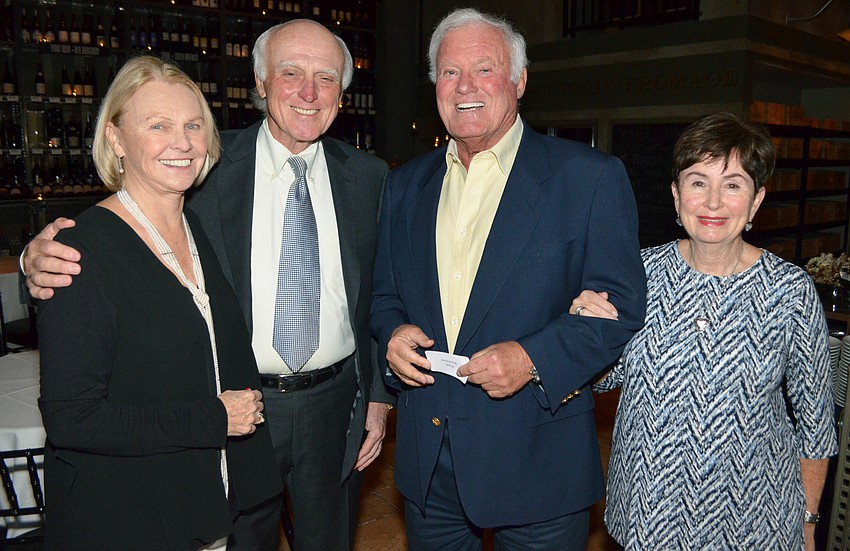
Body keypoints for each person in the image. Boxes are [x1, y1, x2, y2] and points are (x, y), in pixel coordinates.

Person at [25, 20, 394, 551]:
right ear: (260, 83)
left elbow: (381, 291)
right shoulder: (204, 172)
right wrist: (35, 255)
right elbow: (121, 230)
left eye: (326, 77)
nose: (308, 93)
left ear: (343, 91)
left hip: (334, 406)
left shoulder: (370, 177)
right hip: (229, 405)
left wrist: (378, 400)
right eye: (290, 73)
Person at [369, 8, 647, 549]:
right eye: (450, 72)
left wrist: (531, 358)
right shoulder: (404, 186)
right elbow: (385, 296)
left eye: (484, 69)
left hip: (536, 460)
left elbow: (620, 309)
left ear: (519, 80)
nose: (465, 86)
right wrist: (393, 333)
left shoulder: (588, 178)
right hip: (431, 463)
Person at [37, 55, 282, 551]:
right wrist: (214, 418)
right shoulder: (79, 252)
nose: (183, 142)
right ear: (115, 138)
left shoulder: (197, 230)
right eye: (158, 125)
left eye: (194, 125)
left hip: (204, 507)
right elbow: (72, 418)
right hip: (129, 518)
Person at [571, 113, 837, 550]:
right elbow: (607, 378)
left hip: (754, 521)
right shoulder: (637, 274)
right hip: (647, 515)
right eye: (698, 182)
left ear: (756, 201)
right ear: (676, 197)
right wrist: (587, 332)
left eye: (733, 184)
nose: (713, 202)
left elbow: (815, 423)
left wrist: (808, 522)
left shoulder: (790, 291)